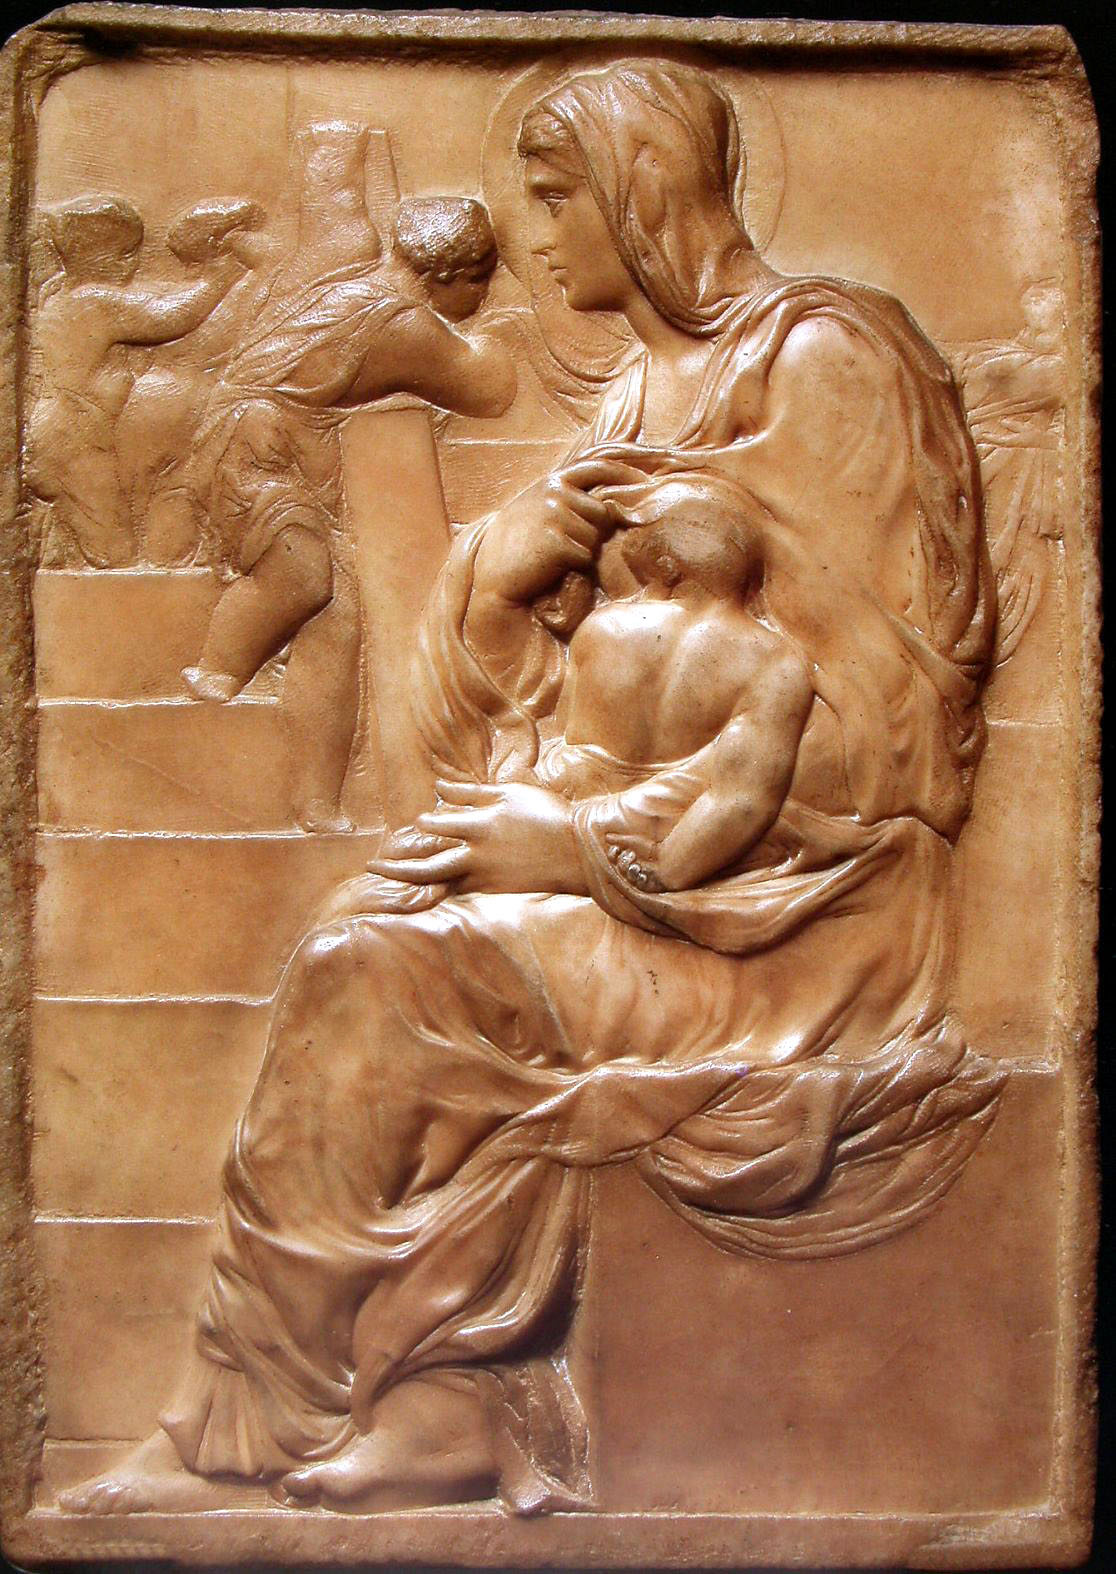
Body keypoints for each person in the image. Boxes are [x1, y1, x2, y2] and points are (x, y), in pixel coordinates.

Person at [64, 61, 1005, 1520]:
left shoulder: (825, 359)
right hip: (650, 871)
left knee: (376, 973)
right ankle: (341, 1399)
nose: (536, 234)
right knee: (373, 928)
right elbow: (551, 698)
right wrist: (496, 586)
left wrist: (580, 847)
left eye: (558, 198)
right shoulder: (632, 391)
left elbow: (892, 743)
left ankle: (345, 1410)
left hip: (804, 916)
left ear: (645, 188)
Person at [179, 127, 513, 833]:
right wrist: (514, 337)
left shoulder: (360, 289)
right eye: (483, 279)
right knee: (304, 577)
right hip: (251, 454)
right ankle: (217, 668)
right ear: (448, 276)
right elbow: (488, 388)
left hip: (292, 461)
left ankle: (316, 801)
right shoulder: (402, 326)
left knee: (339, 623)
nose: (486, 293)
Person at [25, 196, 258, 567]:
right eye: (125, 255)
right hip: (74, 440)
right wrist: (221, 277)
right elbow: (171, 316)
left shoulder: (60, 293)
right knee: (115, 554)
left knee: (97, 535)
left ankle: (57, 559)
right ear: (91, 256)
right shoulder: (93, 301)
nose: (133, 265)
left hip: (77, 437)